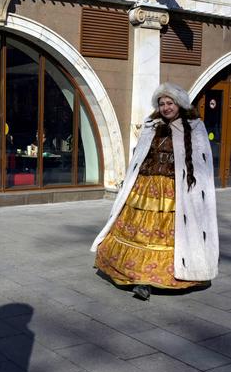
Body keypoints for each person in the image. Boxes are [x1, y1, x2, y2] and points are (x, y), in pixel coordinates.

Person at [92, 83, 219, 300]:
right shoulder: (152, 125)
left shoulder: (195, 127)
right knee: (140, 233)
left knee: (169, 236)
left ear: (179, 104)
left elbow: (201, 165)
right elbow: (139, 156)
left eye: (170, 103)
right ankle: (140, 280)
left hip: (175, 192)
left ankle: (180, 272)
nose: (166, 107)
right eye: (162, 104)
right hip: (145, 188)